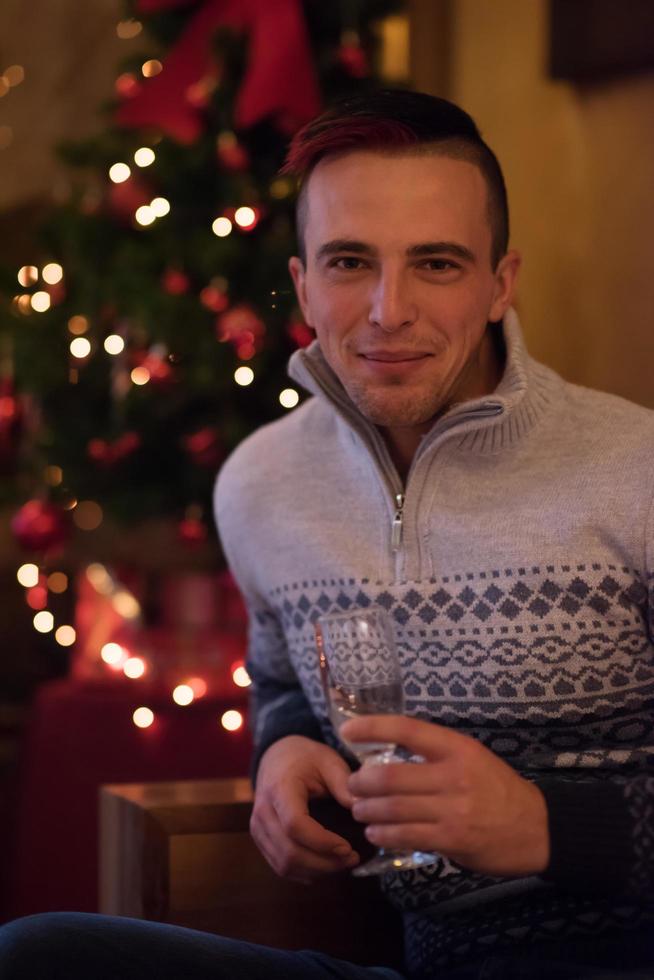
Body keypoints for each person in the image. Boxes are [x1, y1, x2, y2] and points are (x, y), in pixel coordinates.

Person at [1, 89, 653, 980]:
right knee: (39, 958)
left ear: (501, 283)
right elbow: (282, 679)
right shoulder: (260, 486)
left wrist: (550, 826)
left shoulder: (638, 470)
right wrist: (282, 749)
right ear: (304, 284)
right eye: (351, 262)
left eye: (437, 264)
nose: (389, 310)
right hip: (420, 967)